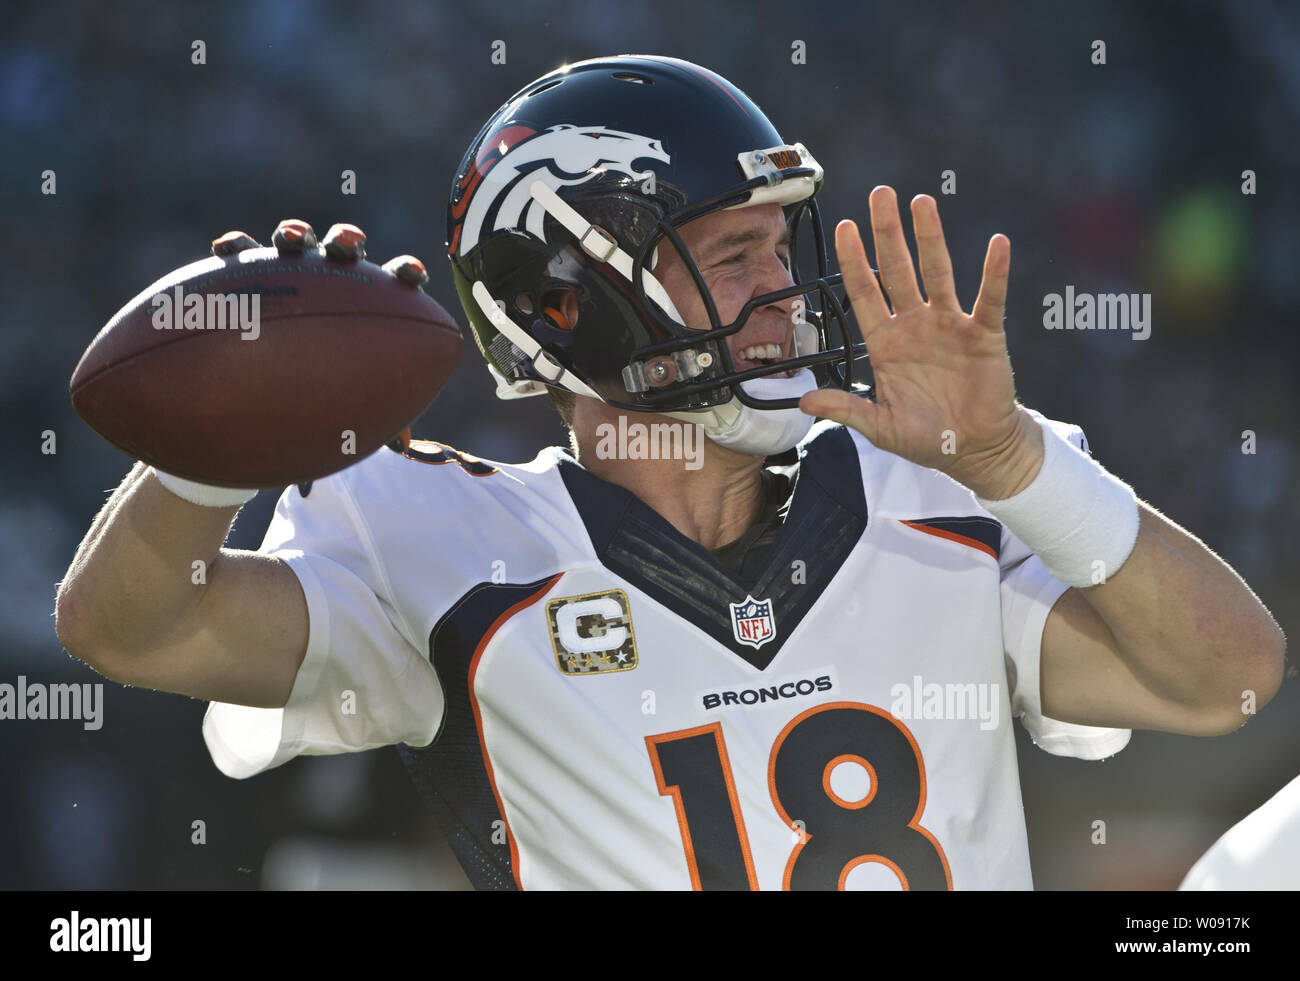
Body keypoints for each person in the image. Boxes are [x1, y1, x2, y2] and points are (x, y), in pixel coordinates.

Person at [55, 54, 1285, 890]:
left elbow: (1227, 679)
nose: (784, 290)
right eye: (734, 253)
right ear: (574, 303)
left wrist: (1015, 460)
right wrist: (211, 454)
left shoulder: (940, 498)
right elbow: (132, 631)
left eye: (774, 245)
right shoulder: (443, 544)